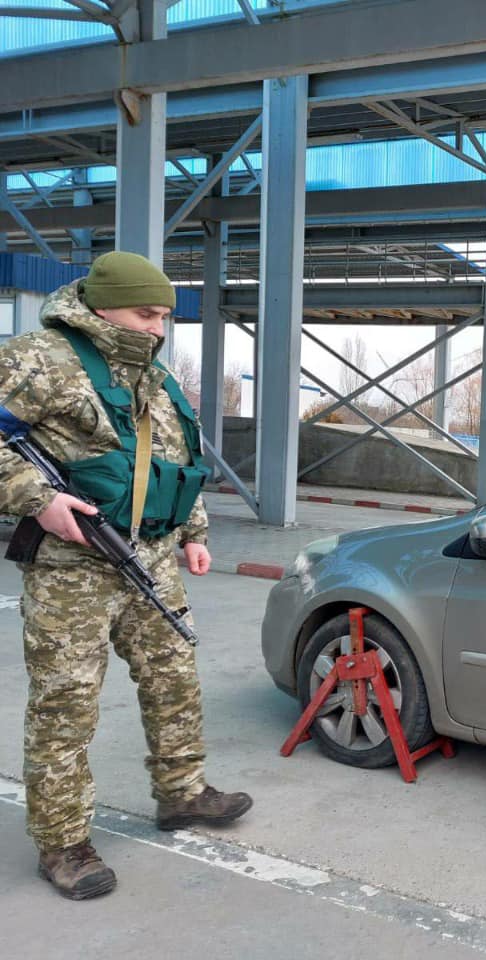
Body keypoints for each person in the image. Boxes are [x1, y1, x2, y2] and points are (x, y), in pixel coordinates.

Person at [0, 252, 252, 901]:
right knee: (66, 705)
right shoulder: (40, 357)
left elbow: (176, 460)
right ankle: (62, 843)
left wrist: (193, 533)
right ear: (102, 306)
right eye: (147, 313)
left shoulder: (156, 375)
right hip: (70, 571)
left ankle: (182, 791)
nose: (158, 327)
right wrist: (38, 497)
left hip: (152, 558)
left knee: (174, 673)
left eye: (165, 315)